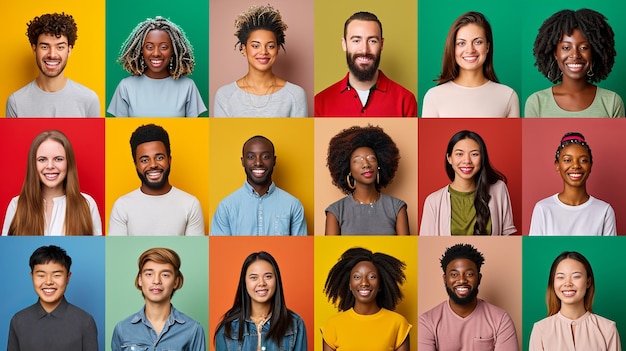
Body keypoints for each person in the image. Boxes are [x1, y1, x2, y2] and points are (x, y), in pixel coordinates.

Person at [525, 9, 625, 117]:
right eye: (566, 47)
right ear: (555, 53)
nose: (575, 55)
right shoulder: (536, 102)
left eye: (584, 47)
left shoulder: (612, 102)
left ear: (593, 53)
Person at [314, 11, 417, 117]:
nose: (364, 50)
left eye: (372, 41)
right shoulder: (320, 102)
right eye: (356, 41)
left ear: (381, 45)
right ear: (344, 44)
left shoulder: (406, 100)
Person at [108, 124, 205, 235]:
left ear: (169, 160)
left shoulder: (190, 204)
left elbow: (193, 250)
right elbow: (119, 251)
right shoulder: (122, 206)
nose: (153, 164)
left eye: (159, 158)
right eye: (144, 160)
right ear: (136, 165)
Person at [418, 243, 519, 350]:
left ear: (479, 278)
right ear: (445, 279)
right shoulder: (427, 322)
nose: (462, 280)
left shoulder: (501, 320)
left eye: (469, 274)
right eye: (454, 274)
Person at [213, 5, 308, 117]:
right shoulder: (225, 95)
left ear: (277, 49)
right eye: (256, 46)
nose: (263, 52)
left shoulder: (295, 94)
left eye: (270, 46)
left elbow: (298, 134)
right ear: (244, 49)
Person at [2, 130, 101, 235]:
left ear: (68, 163)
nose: (50, 166)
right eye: (42, 159)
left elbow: (96, 249)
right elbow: (7, 250)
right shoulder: (16, 205)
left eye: (58, 159)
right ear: (33, 164)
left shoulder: (87, 204)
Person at [421, 11, 519, 117]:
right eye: (461, 43)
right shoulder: (433, 96)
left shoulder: (508, 96)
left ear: (487, 47)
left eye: (478, 42)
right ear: (453, 48)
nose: (470, 50)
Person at [420, 130, 516, 235]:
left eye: (474, 154)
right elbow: (427, 245)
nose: (467, 160)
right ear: (449, 158)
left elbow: (508, 238)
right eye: (459, 154)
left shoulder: (499, 190)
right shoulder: (433, 201)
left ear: (482, 158)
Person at [108, 16, 207, 117]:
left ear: (173, 50)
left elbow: (193, 130)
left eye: (164, 47)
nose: (156, 53)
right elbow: (120, 130)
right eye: (149, 47)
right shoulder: (126, 87)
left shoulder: (188, 86)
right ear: (140, 50)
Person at [6, 13, 100, 117]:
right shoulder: (16, 102)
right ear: (34, 49)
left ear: (69, 50)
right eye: (45, 47)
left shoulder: (89, 100)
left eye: (60, 47)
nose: (52, 55)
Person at [111, 248, 206, 350]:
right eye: (149, 274)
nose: (156, 281)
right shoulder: (122, 329)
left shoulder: (193, 329)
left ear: (176, 282)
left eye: (165, 275)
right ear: (140, 279)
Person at [211, 135, 307, 235]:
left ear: (274, 160)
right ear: (243, 161)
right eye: (251, 157)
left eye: (265, 157)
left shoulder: (293, 205)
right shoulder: (226, 207)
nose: (258, 163)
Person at [8, 245, 98, 351]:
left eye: (56, 275)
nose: (49, 282)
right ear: (32, 276)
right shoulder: (18, 320)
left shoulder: (85, 321)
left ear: (68, 277)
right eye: (41, 275)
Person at [321, 247, 411, 351]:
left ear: (380, 284)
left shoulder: (398, 323)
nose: (364, 283)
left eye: (372, 277)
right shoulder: (333, 325)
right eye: (357, 277)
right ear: (350, 285)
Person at [325, 125, 409, 235]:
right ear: (348, 168)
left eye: (371, 158)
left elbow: (404, 249)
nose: (366, 164)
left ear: (380, 164)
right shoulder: (336, 211)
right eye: (358, 160)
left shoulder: (397, 208)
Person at [214, 251, 307, 350]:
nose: (261, 283)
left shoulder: (295, 324)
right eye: (254, 278)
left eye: (268, 276)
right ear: (244, 282)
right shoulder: (227, 328)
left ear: (277, 280)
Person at [529, 251, 621, 350]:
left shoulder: (607, 329)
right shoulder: (540, 329)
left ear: (588, 282)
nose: (568, 283)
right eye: (560, 277)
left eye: (576, 276)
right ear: (553, 282)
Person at [529, 132, 616, 235]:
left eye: (583, 160)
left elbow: (608, 250)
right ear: (557, 166)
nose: (575, 166)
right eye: (567, 160)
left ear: (590, 166)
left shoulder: (605, 211)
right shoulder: (543, 208)